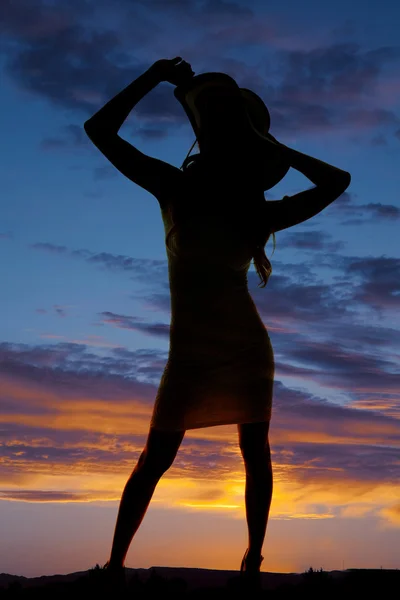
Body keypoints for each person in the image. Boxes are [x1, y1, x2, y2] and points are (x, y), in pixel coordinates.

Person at [84, 57, 351, 592]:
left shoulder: (257, 212)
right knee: (154, 457)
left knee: (255, 451)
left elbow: (336, 179)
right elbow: (99, 130)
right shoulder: (172, 188)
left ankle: (253, 561)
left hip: (246, 347)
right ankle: (114, 567)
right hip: (188, 351)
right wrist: (155, 75)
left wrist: (271, 146)